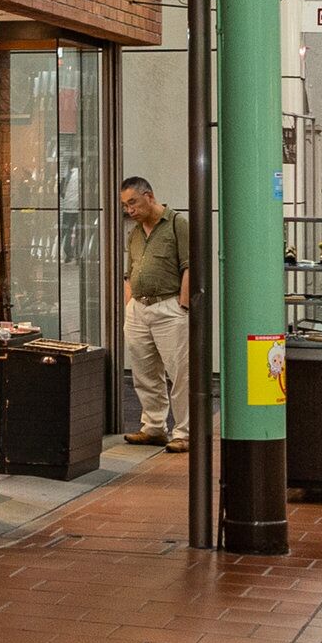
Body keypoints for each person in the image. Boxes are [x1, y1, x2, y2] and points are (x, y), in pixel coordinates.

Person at [116, 178, 193, 453]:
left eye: (133, 202)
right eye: (125, 205)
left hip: (168, 307)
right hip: (138, 308)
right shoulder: (135, 232)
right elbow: (129, 271)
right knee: (144, 372)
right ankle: (153, 427)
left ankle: (183, 432)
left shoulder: (176, 224)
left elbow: (190, 266)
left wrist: (182, 307)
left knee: (179, 372)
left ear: (149, 196)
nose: (129, 210)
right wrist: (129, 304)